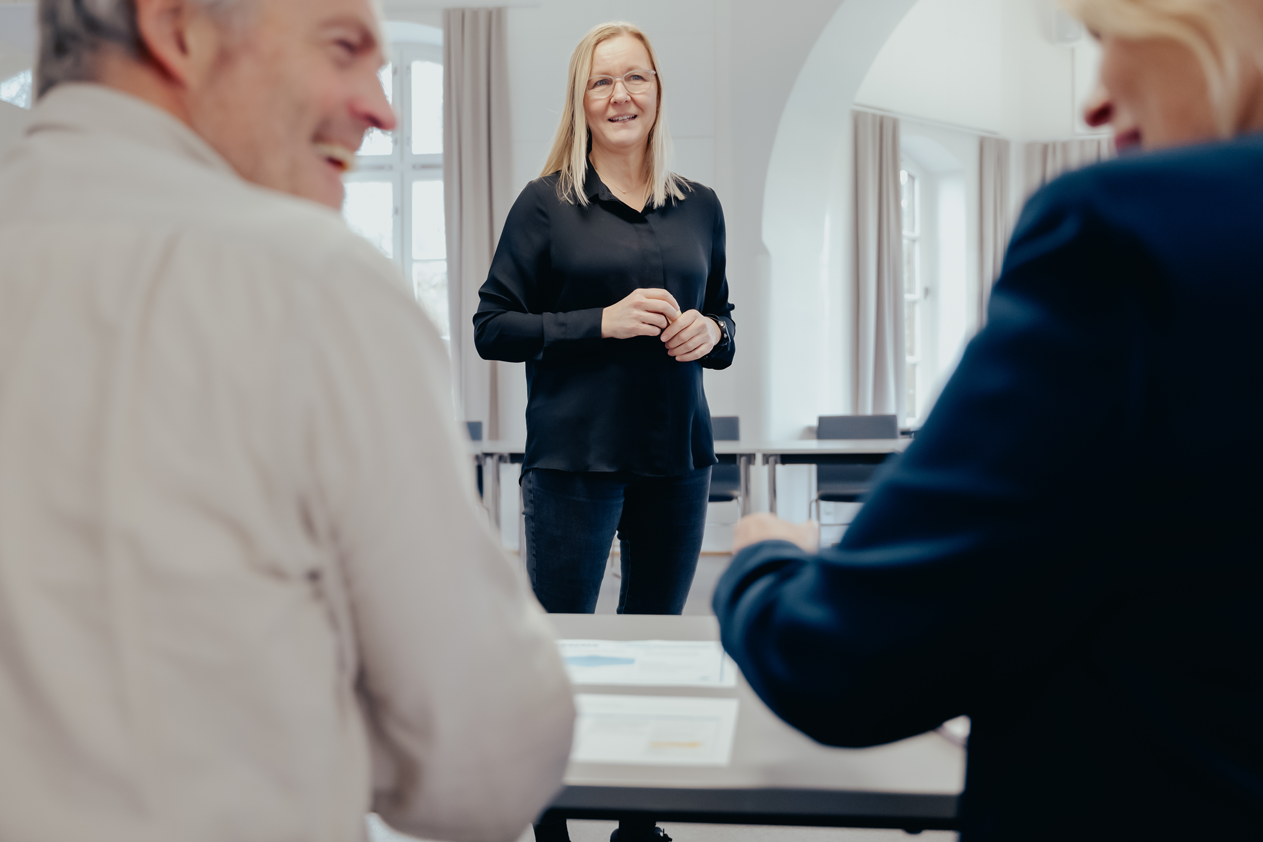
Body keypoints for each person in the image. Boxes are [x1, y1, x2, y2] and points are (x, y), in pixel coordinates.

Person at [0, 2, 574, 841]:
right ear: (179, 28)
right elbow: (483, 767)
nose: (382, 108)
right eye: (342, 48)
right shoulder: (310, 283)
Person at [713, 1, 1263, 839]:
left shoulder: (1129, 237)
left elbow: (840, 659)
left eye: (1107, 41)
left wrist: (761, 565)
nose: (1094, 100)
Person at [474, 22, 735, 620]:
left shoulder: (701, 205)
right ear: (581, 102)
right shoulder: (544, 203)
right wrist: (601, 322)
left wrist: (712, 332)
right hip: (573, 463)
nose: (621, 95)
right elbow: (492, 327)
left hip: (679, 461)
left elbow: (724, 322)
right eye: (602, 82)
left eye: (635, 77)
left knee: (657, 642)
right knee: (567, 647)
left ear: (658, 91)